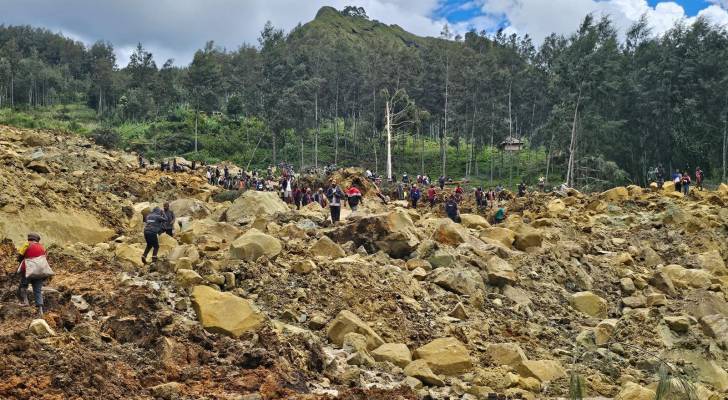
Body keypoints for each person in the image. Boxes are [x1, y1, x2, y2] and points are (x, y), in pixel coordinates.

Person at [16, 232, 48, 316]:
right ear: (37, 239)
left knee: (23, 286)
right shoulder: (42, 247)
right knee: (37, 290)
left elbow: (19, 255)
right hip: (40, 272)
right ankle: (40, 311)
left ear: (29, 238)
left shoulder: (27, 244)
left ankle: (25, 302)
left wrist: (20, 260)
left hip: (28, 270)